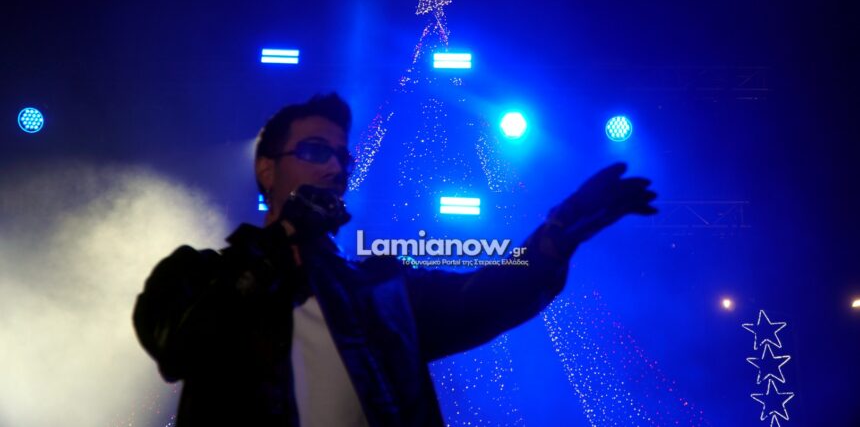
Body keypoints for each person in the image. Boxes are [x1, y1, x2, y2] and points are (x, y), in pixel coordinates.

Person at [133, 93, 657, 427]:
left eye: (343, 157)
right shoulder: (195, 275)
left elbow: (482, 298)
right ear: (266, 170)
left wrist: (554, 239)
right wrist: (282, 240)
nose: (336, 169)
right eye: (315, 151)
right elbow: (178, 345)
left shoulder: (380, 290)